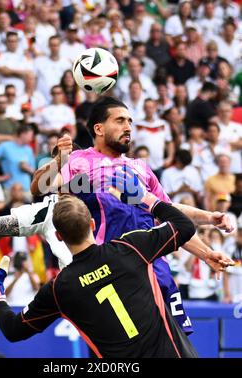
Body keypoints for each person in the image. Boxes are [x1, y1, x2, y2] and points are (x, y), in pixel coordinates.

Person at [31, 96, 234, 334]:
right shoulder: (80, 162)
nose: (128, 127)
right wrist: (58, 159)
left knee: (174, 344)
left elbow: (168, 213)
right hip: (113, 271)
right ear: (99, 128)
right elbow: (39, 187)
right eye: (119, 121)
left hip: (155, 269)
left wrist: (208, 238)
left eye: (129, 121)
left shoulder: (140, 167)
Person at [0, 193, 203, 357]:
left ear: (57, 237)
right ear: (93, 225)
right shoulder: (131, 247)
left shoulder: (59, 289)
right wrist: (148, 199)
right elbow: (185, 227)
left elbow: (13, 330)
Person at [0, 124, 36, 195]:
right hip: (10, 189)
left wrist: (27, 168)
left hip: (26, 189)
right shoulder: (5, 146)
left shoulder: (29, 149)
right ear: (23, 134)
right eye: (30, 136)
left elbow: (33, 170)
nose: (31, 139)